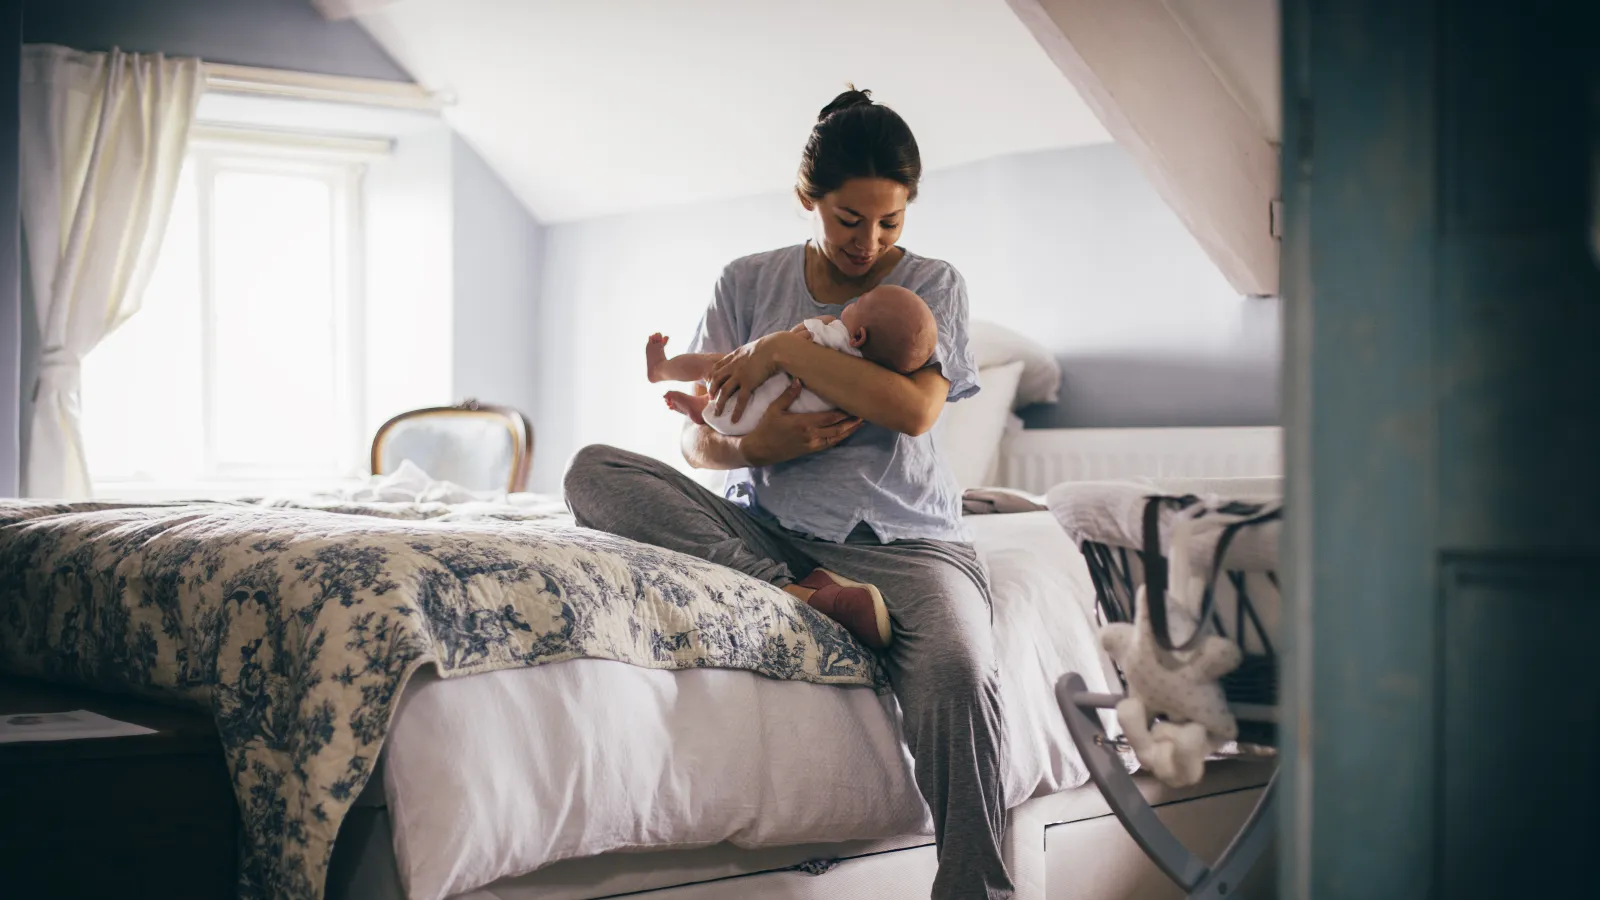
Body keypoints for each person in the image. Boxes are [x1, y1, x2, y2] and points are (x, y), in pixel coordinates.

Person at [564, 86, 1012, 899]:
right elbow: (700, 435)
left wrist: (785, 351)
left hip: (904, 544)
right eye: (848, 219)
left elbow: (913, 410)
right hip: (765, 530)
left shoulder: (930, 287)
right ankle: (803, 595)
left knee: (961, 675)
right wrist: (750, 444)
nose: (867, 241)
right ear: (809, 198)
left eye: (889, 222)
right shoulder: (746, 279)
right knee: (593, 470)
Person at [645, 283, 938, 437]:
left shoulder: (836, 337)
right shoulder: (868, 380)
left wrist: (815, 324)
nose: (852, 302)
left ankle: (661, 369)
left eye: (859, 303)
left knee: (712, 364)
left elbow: (798, 338)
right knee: (727, 399)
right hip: (756, 421)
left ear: (858, 337)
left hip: (756, 395)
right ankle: (702, 410)